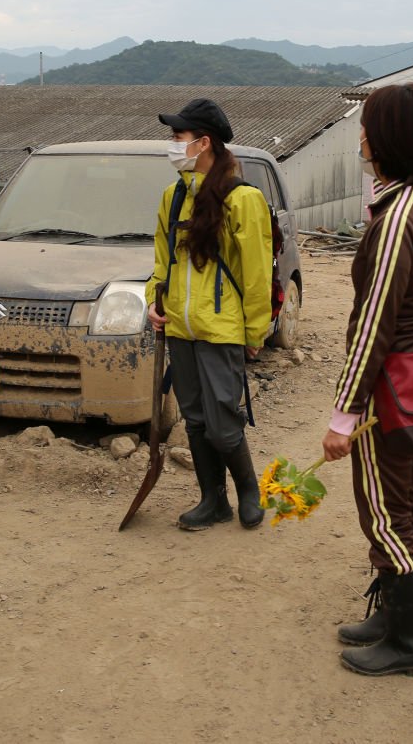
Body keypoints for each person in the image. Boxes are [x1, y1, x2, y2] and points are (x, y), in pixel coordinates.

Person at [321, 84, 413, 677]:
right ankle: (389, 614)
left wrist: (343, 415)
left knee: (384, 512)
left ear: (390, 139)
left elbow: (373, 326)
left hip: (390, 393)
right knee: (405, 502)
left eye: (369, 128)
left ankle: (407, 641)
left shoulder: (398, 217)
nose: (362, 139)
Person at [145, 98, 272, 531]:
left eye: (178, 138)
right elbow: (162, 260)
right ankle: (212, 500)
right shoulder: (173, 195)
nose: (172, 145)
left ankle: (249, 493)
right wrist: (152, 301)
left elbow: (256, 274)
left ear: (204, 143)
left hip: (221, 328)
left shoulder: (243, 199)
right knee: (195, 420)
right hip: (180, 328)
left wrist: (255, 331)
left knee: (222, 421)